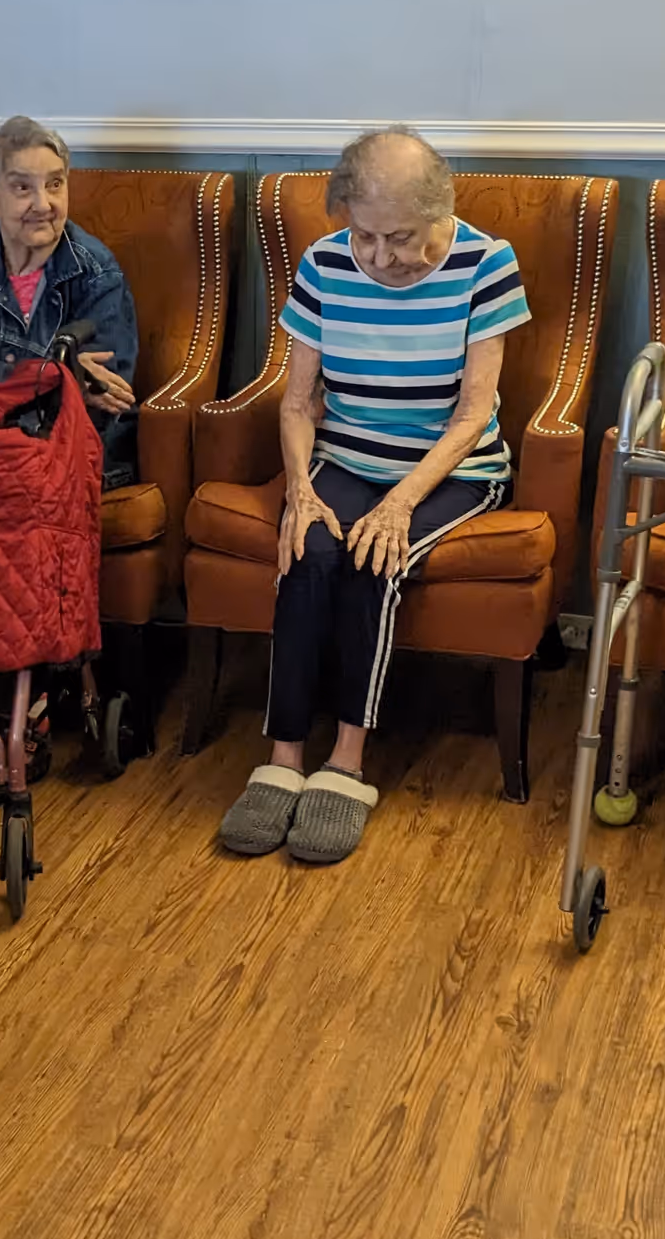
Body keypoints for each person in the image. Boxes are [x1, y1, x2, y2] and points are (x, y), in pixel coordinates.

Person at [219, 130, 530, 868]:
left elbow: (472, 413)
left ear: (439, 212)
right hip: (348, 456)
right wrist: (298, 489)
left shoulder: (487, 264)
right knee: (309, 549)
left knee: (371, 558)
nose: (382, 257)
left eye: (401, 238)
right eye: (365, 234)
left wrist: (399, 505)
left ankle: (348, 761)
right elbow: (298, 404)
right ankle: (284, 756)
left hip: (451, 469)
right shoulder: (324, 263)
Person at [0, 115, 140, 799]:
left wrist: (11, 375)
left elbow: (110, 387)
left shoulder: (94, 269)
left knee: (10, 519)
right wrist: (45, 369)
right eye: (22, 186)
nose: (43, 203)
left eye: (56, 184)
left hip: (69, 451)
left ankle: (22, 711)